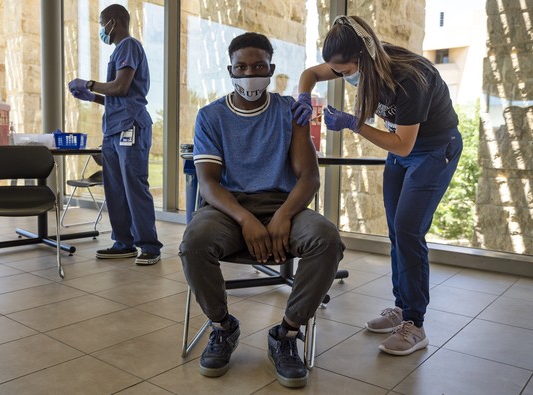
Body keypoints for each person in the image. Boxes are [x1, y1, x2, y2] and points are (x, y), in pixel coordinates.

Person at [179, 32, 344, 388]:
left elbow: (310, 177)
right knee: (194, 242)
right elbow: (209, 184)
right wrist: (245, 219)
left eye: (258, 66)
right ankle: (223, 327)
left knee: (326, 239)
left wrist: (283, 215)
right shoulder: (211, 116)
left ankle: (286, 334)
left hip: (285, 204)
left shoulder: (290, 112)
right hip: (229, 208)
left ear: (271, 69)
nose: (249, 73)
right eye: (241, 66)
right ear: (230, 70)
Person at [292, 15, 463, 356]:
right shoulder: (352, 63)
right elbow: (311, 74)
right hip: (403, 151)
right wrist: (302, 96)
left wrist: (354, 123)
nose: (341, 76)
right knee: (397, 232)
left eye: (344, 71)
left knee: (409, 230)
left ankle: (415, 324)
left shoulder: (411, 79)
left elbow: (402, 144)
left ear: (363, 58)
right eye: (337, 70)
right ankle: (402, 308)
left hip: (431, 150)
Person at [68, 4, 162, 266]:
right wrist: (94, 96)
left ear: (112, 22)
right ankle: (124, 243)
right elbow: (117, 96)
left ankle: (150, 246)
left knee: (134, 186)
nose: (101, 30)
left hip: (131, 126)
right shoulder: (120, 51)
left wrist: (88, 83)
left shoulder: (129, 46)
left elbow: (121, 87)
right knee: (115, 190)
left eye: (101, 24)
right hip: (113, 129)